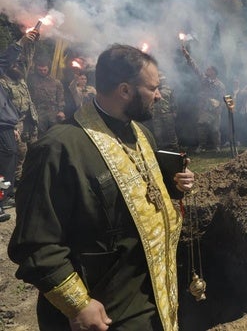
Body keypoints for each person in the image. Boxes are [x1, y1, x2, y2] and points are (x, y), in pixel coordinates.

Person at [9, 44, 195, 331]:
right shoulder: (58, 148)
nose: (159, 95)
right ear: (125, 91)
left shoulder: (140, 132)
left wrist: (174, 184)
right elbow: (35, 243)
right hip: (106, 311)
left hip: (151, 295)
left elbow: (140, 195)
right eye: (153, 88)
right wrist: (78, 304)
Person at [0, 30, 39, 206]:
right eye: (14, 64)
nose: (17, 65)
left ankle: (13, 192)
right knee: (13, 158)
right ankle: (8, 194)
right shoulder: (3, 81)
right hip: (11, 124)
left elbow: (27, 59)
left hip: (24, 123)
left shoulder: (21, 78)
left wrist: (30, 42)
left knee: (27, 154)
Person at [181, 46, 225, 153]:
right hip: (204, 108)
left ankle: (217, 146)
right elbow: (195, 69)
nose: (206, 70)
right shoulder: (204, 79)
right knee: (201, 126)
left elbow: (222, 98)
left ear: (213, 72)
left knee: (215, 129)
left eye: (209, 69)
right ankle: (202, 146)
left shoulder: (220, 85)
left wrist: (219, 109)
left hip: (215, 109)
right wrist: (188, 57)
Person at [27, 55, 66, 135]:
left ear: (48, 69)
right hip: (36, 113)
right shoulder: (30, 80)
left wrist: (61, 111)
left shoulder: (56, 82)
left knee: (53, 135)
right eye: (40, 70)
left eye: (45, 70)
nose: (42, 72)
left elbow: (60, 98)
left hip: (53, 114)